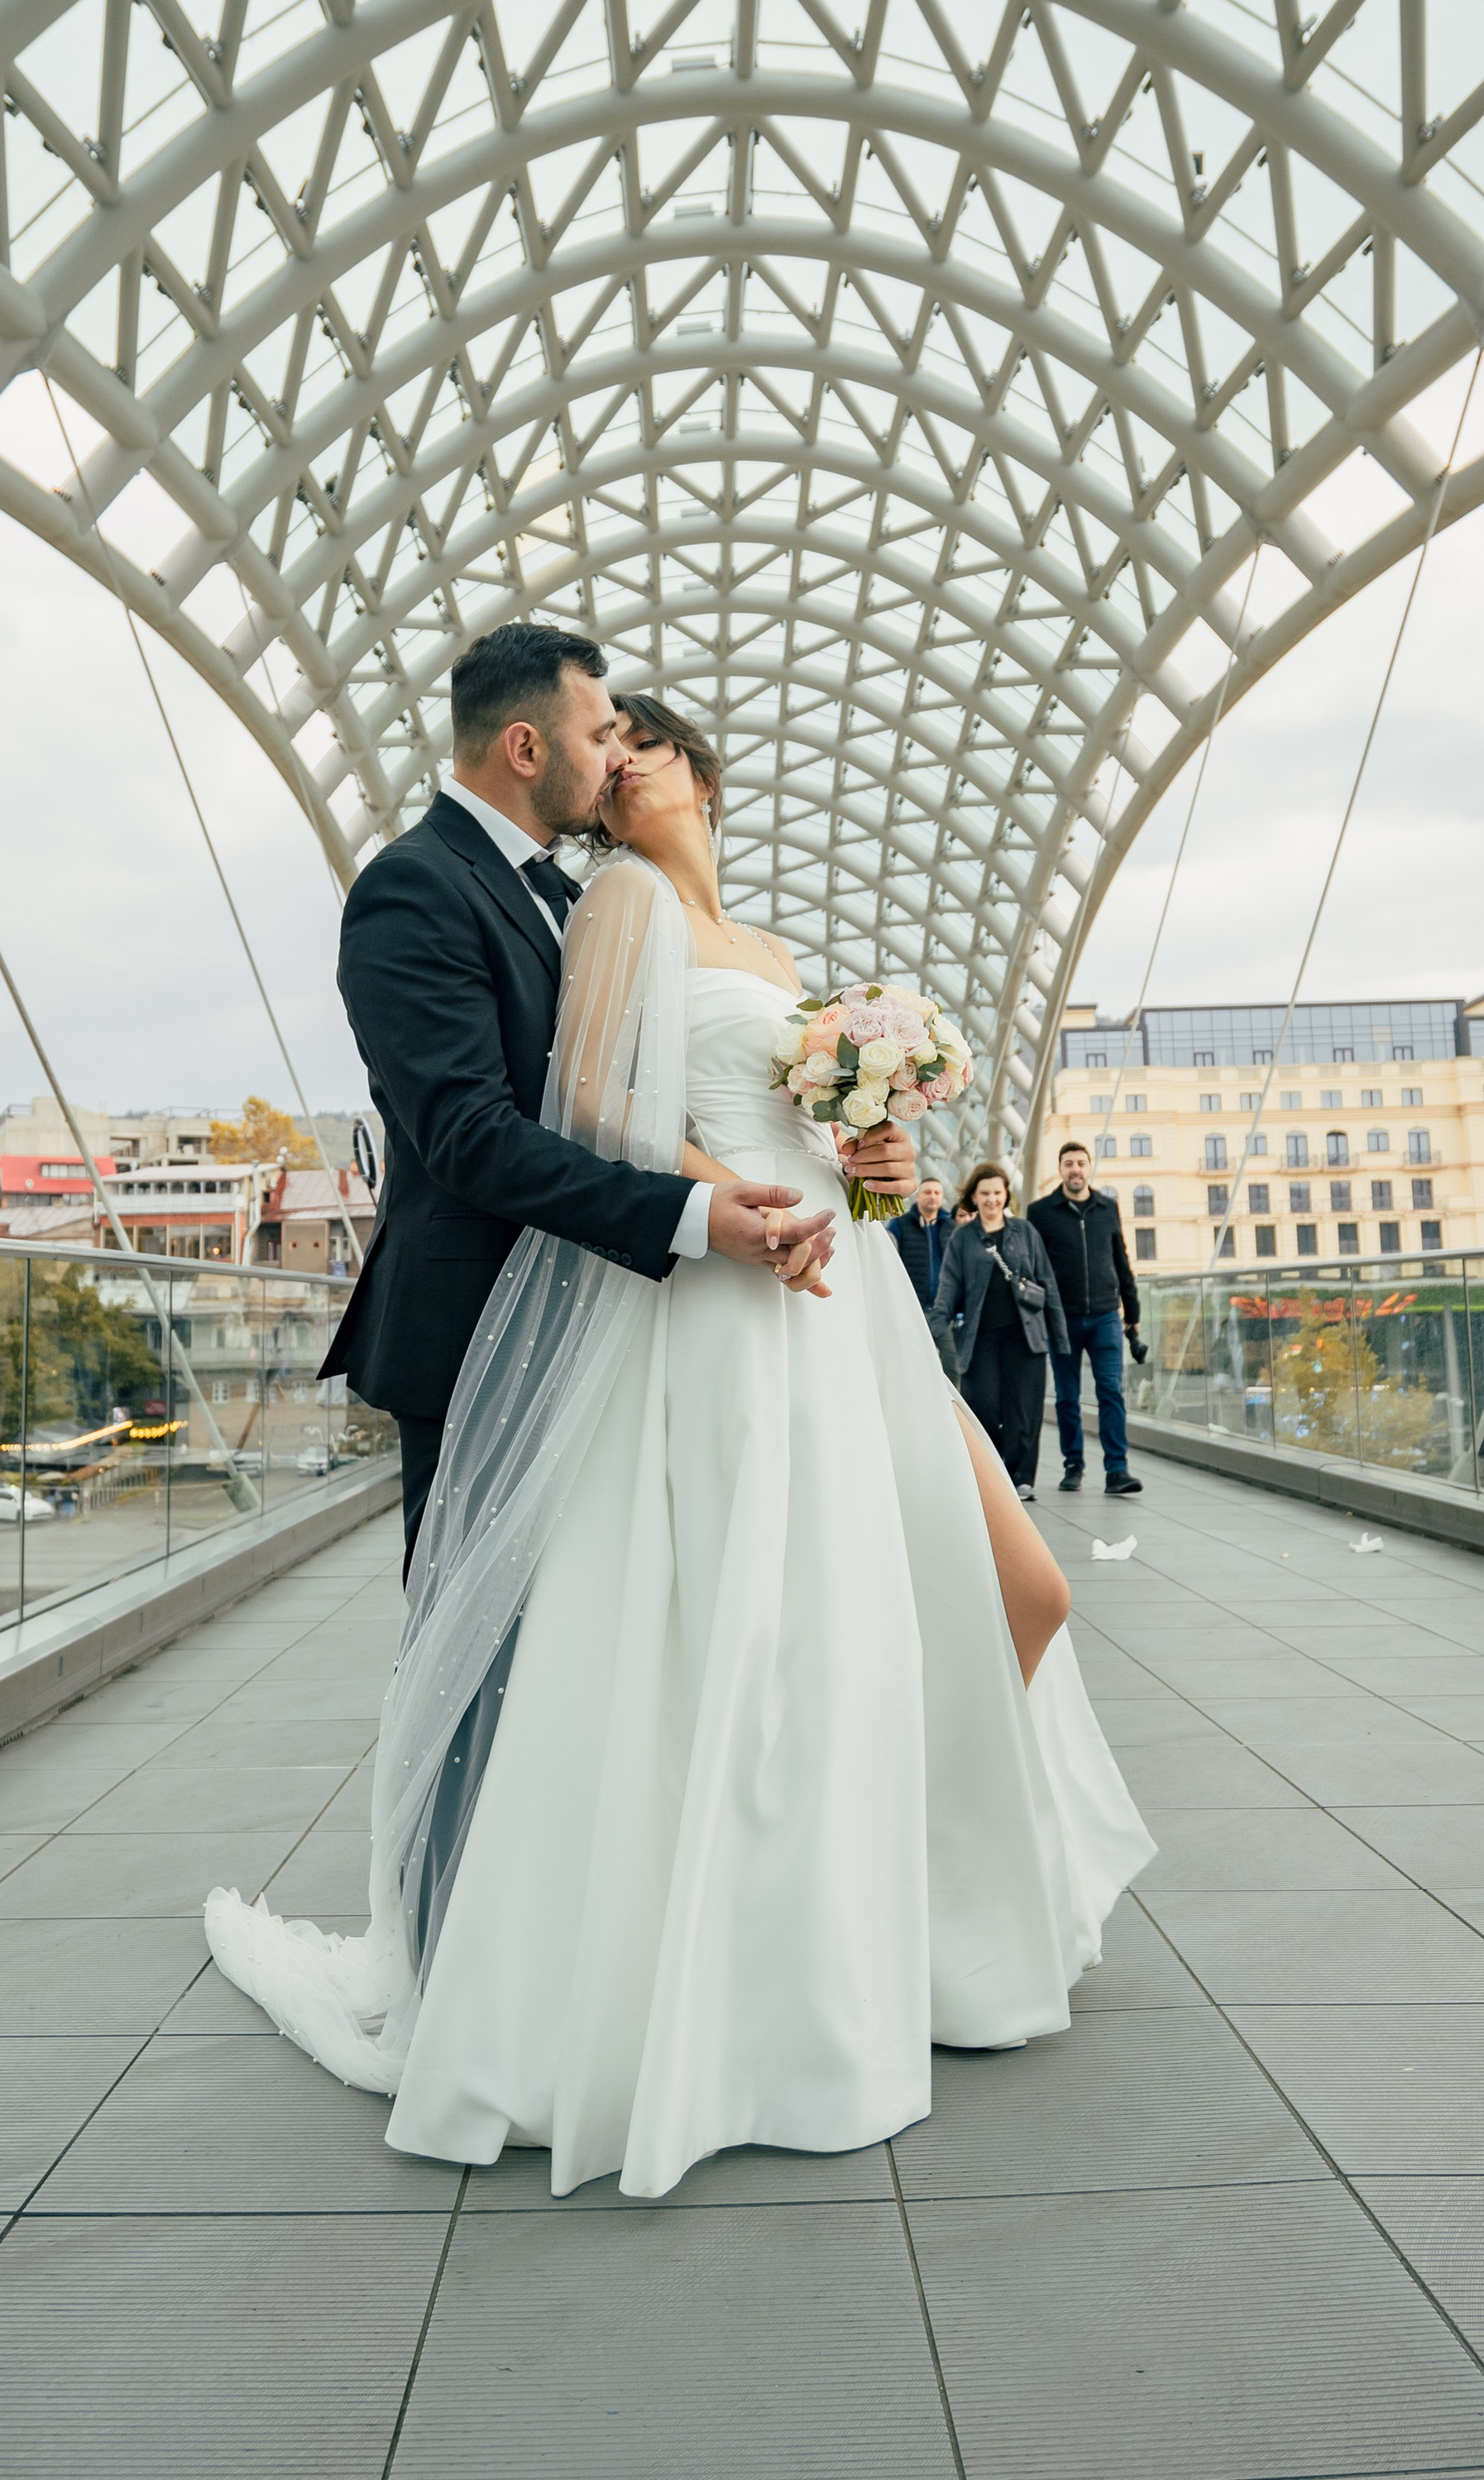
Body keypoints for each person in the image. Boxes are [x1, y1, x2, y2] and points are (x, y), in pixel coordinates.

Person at [208, 694, 1153, 2200]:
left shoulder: (771, 953)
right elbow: (601, 1107)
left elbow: (830, 1154)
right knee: (771, 1643)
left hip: (844, 1299)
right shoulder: (619, 905)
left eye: (639, 742)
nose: (617, 763)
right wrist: (744, 1208)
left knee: (993, 1596)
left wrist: (875, 1163)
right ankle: (769, 1982)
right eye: (604, 746)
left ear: (701, 773)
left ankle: (902, 1920)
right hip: (729, 1294)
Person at [318, 622, 855, 1574]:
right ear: (526, 748)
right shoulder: (413, 888)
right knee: (482, 1636)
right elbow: (471, 1136)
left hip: (600, 1322)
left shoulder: (575, 902)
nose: (615, 758)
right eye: (602, 733)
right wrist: (695, 1210)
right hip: (476, 1331)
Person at [931, 1164, 1060, 1498]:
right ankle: (997, 1468)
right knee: (983, 1406)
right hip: (981, 1338)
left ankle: (1021, 1477)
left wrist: (1059, 1339)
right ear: (974, 1197)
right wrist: (930, 1334)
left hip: (1025, 1337)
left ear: (1006, 1195)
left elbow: (1047, 1283)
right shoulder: (963, 1238)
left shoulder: (1025, 1232)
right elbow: (948, 1290)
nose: (992, 1199)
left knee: (1023, 1410)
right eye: (985, 1193)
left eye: (997, 1193)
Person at [1028, 1140, 1145, 1497]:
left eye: (1080, 1163)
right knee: (1067, 1396)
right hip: (1061, 1318)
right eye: (1068, 1163)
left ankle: (1117, 1470)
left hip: (1106, 1316)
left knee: (1111, 1391)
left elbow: (1121, 1260)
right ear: (1060, 1169)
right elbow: (1034, 1267)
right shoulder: (1041, 1212)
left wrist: (1132, 1314)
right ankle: (1073, 1465)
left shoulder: (1108, 1208)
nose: (1075, 1169)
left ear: (1089, 1167)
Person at [888, 1177, 950, 1319]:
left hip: (942, 1313)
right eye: (927, 1192)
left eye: (937, 1193)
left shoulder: (951, 1228)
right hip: (909, 1310)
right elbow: (889, 1263)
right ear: (917, 1196)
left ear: (942, 1197)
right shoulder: (900, 1225)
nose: (933, 1196)